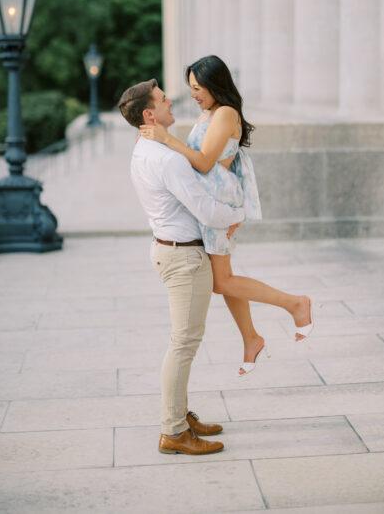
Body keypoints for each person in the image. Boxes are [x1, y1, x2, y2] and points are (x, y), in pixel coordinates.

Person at [139, 55, 318, 376]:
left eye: (197, 88)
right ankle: (251, 338)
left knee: (222, 281)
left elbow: (205, 162)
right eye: (190, 88)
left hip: (217, 203)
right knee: (225, 279)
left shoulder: (225, 113)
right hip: (211, 203)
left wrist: (167, 139)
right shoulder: (209, 113)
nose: (193, 94)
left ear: (213, 84)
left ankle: (295, 304)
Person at [118, 78, 245, 456]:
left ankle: (179, 415)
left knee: (183, 342)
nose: (170, 99)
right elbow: (204, 207)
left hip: (171, 249)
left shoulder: (145, 148)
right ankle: (173, 431)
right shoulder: (167, 158)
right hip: (183, 257)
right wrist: (237, 214)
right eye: (161, 98)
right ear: (149, 113)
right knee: (183, 344)